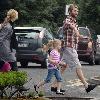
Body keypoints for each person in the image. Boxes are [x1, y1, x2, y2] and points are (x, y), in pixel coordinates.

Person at [51, 4, 97, 93]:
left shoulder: (74, 22)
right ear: (70, 11)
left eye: (77, 11)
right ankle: (87, 86)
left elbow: (75, 35)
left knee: (63, 66)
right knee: (78, 66)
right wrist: (75, 29)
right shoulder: (68, 20)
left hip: (69, 47)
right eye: (75, 11)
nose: (77, 12)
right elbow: (67, 24)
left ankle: (54, 86)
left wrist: (82, 37)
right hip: (69, 48)